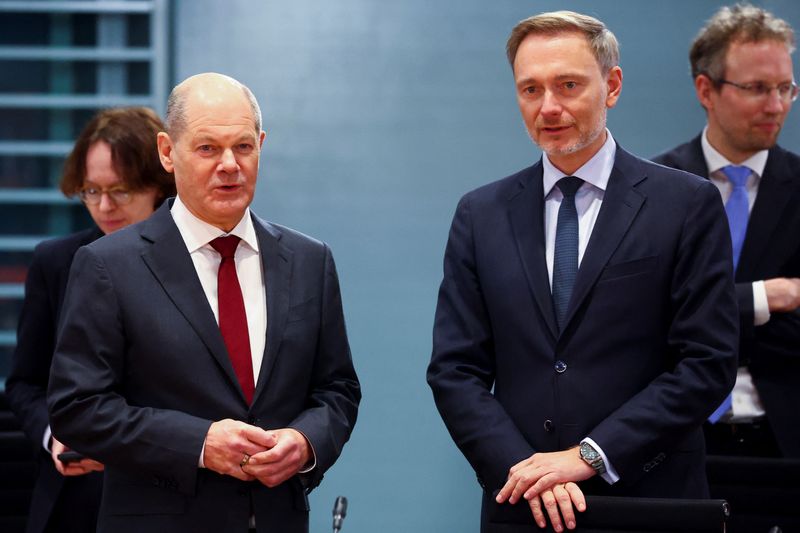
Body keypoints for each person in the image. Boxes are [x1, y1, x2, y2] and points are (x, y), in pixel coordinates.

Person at [427, 11, 739, 533]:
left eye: (568, 85)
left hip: (647, 500)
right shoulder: (481, 214)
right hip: (522, 504)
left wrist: (590, 455)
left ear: (611, 86)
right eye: (530, 89)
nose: (548, 107)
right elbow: (454, 371)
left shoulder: (686, 204)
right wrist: (526, 471)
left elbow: (706, 363)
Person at [46, 73, 360, 533]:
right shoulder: (107, 265)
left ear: (261, 146)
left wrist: (306, 441)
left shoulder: (310, 260)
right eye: (208, 148)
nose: (230, 164)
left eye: (244, 147)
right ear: (168, 152)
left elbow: (337, 390)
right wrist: (199, 442)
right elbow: (77, 408)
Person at [5, 106, 175, 533]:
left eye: (119, 190)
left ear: (157, 185)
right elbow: (25, 383)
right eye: (90, 190)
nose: (104, 207)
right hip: (76, 501)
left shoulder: (192, 265)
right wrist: (54, 436)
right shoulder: (56, 261)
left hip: (169, 494)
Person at [653, 4, 800, 459]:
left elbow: (683, 320)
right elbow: (644, 318)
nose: (776, 106)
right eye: (757, 88)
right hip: (673, 438)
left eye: (786, 88)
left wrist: (702, 314)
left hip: (783, 441)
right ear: (706, 89)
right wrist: (763, 299)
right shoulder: (653, 188)